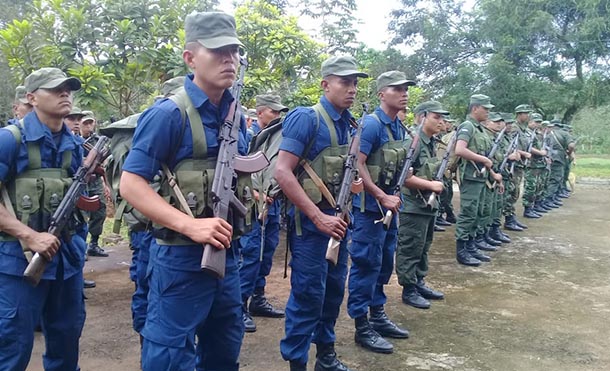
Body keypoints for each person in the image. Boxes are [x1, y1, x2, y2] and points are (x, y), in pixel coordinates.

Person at [119, 11, 247, 370]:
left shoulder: (235, 116)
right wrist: (190, 225)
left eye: (234, 51)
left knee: (224, 346)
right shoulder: (168, 114)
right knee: (170, 355)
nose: (229, 60)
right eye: (218, 51)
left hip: (227, 253)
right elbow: (131, 183)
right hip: (179, 258)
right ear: (190, 58)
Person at [275, 55, 367, 371]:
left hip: (340, 224)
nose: (351, 89)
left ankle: (325, 356)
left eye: (355, 83)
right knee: (308, 296)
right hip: (311, 227)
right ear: (325, 84)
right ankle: (297, 363)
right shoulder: (307, 119)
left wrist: (354, 184)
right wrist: (317, 216)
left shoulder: (351, 124)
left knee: (332, 294)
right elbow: (283, 172)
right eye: (345, 82)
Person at [0, 67, 86, 370]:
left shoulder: (74, 145)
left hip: (66, 262)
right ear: (31, 97)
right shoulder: (9, 140)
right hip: (18, 263)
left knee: (66, 341)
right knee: (13, 347)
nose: (65, 94)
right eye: (55, 89)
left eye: (68, 88)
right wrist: (29, 235)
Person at [347, 71, 412, 354]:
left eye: (406, 88)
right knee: (366, 264)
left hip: (389, 208)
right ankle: (362, 326)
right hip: (369, 210)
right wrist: (380, 195)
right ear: (381, 94)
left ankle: (377, 314)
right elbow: (356, 163)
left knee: (384, 263)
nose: (404, 93)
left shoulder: (398, 127)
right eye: (397, 89)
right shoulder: (371, 125)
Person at [240, 93, 289, 332]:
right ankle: (239, 305)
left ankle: (258, 298)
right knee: (250, 254)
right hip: (252, 204)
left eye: (280, 112)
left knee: (266, 253)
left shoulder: (275, 138)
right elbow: (235, 173)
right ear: (260, 112)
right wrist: (257, 195)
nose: (278, 116)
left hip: (273, 203)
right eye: (274, 112)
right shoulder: (247, 137)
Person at [396, 100, 448, 309]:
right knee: (410, 247)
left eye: (442, 118)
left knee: (424, 246)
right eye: (436, 117)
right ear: (421, 117)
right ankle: (408, 289)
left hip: (427, 204)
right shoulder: (414, 142)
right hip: (412, 204)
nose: (441, 122)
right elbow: (403, 178)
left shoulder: (431, 142)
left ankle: (418, 281)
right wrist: (431, 184)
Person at [454, 94, 501, 266]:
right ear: (475, 108)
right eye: (485, 108)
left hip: (481, 178)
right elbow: (460, 149)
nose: (488, 112)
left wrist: (493, 172)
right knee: (468, 213)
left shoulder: (480, 129)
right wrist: (483, 160)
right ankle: (461, 251)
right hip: (470, 178)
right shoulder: (468, 126)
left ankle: (471, 246)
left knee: (477, 213)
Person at [80, 111, 111, 257]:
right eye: (85, 123)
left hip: (96, 181)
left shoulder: (99, 141)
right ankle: (81, 245)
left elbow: (104, 166)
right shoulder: (75, 141)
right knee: (80, 214)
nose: (88, 126)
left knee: (100, 210)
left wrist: (106, 185)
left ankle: (94, 243)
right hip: (81, 182)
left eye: (90, 123)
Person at [503, 104, 533, 231]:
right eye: (525, 113)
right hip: (513, 165)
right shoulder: (514, 128)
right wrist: (523, 153)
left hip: (520, 164)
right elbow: (510, 146)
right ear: (519, 114)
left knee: (515, 192)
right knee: (511, 192)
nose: (528, 116)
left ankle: (511, 216)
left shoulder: (523, 129)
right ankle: (509, 218)